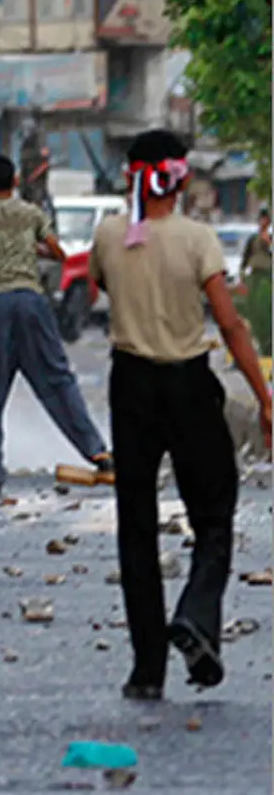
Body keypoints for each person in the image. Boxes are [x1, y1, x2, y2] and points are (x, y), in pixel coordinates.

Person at [88, 130, 273, 701]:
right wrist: (264, 399)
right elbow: (230, 323)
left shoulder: (110, 235)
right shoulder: (198, 239)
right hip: (189, 385)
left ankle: (147, 671)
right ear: (180, 178)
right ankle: (195, 615)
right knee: (214, 515)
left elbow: (100, 285)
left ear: (132, 176)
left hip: (131, 386)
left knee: (137, 525)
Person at [0, 155, 113, 497]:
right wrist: (31, 250)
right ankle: (97, 451)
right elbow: (59, 252)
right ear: (15, 181)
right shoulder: (31, 213)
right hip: (31, 300)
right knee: (56, 378)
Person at [238, 206, 271, 356]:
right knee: (251, 309)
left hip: (268, 276)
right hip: (254, 276)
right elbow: (245, 258)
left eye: (266, 220)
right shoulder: (253, 239)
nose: (263, 222)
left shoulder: (269, 238)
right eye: (261, 219)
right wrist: (242, 275)